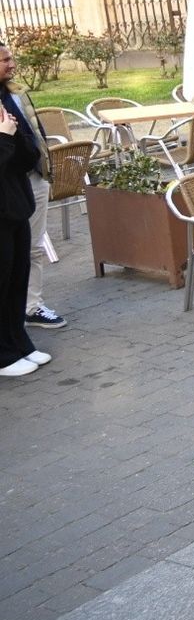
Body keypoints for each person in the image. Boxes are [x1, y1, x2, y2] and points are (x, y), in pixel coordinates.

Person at [0, 46, 60, 333]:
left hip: (33, 178)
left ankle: (31, 307)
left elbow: (35, 133)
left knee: (34, 247)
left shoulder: (17, 92)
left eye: (12, 57)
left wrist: (45, 167)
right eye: (5, 60)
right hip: (7, 187)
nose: (12, 64)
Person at [0, 42, 45, 379]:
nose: (11, 64)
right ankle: (3, 354)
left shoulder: (7, 98)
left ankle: (19, 341)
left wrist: (20, 142)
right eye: (5, 60)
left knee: (18, 276)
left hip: (16, 203)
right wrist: (5, 138)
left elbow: (23, 152)